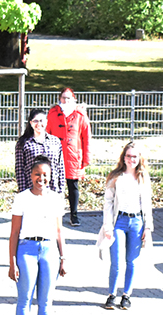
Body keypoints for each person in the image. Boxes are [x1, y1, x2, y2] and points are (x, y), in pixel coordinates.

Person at [8, 155, 67, 315]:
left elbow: (59, 231)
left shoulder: (56, 198)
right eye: (37, 174)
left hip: (49, 249)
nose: (41, 178)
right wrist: (12, 261)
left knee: (46, 301)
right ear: (30, 176)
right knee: (25, 299)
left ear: (50, 177)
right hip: (27, 249)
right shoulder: (22, 198)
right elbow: (14, 232)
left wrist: (63, 257)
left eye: (45, 175)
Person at [100, 142, 153, 310]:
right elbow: (108, 202)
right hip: (119, 221)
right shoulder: (116, 176)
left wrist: (148, 227)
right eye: (129, 156)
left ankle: (126, 295)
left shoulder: (143, 177)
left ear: (140, 158)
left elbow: (148, 204)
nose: (132, 159)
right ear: (124, 158)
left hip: (137, 222)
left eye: (135, 156)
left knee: (132, 261)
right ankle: (111, 294)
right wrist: (108, 225)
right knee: (115, 260)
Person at [46, 87, 91, 227]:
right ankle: (53, 214)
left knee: (73, 186)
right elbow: (46, 133)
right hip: (55, 154)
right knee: (53, 185)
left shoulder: (80, 115)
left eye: (68, 98)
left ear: (74, 99)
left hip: (73, 155)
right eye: (64, 98)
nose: (66, 100)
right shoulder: (52, 114)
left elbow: (86, 137)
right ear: (59, 98)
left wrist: (86, 159)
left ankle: (74, 214)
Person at [14, 108, 64, 195]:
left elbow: (60, 167)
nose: (39, 124)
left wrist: (61, 190)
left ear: (46, 122)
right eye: (35, 121)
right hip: (32, 190)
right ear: (30, 123)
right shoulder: (24, 143)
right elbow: (19, 169)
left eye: (41, 121)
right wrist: (23, 192)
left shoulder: (55, 141)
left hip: (52, 189)